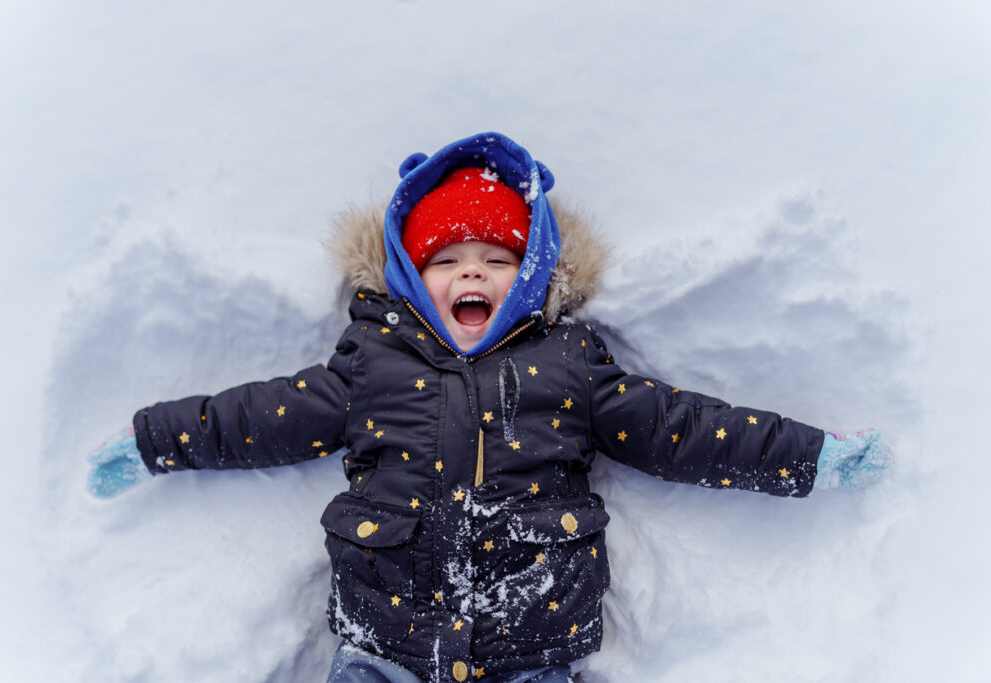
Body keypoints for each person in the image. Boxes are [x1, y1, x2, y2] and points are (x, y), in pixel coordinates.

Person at [87, 132, 890, 683]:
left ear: (533, 271)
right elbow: (262, 415)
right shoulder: (371, 363)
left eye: (497, 257)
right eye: (447, 259)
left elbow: (680, 428)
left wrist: (806, 455)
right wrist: (156, 438)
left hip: (531, 643)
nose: (472, 273)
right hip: (386, 645)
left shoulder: (570, 365)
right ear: (409, 274)